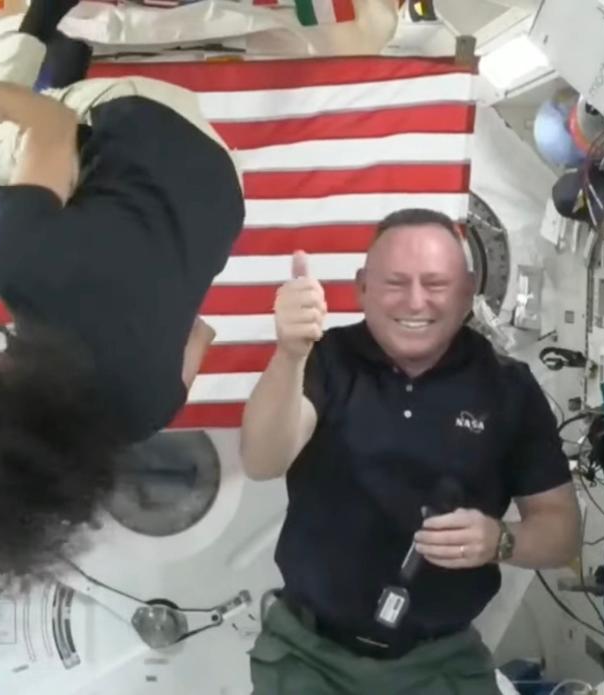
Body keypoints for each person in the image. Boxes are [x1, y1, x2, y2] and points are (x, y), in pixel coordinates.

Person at [0, 0, 244, 590]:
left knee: (73, 203)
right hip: (140, 112)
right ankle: (39, 24)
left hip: (224, 184)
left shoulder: (140, 418)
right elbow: (49, 126)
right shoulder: (19, 266)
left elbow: (201, 332)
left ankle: (63, 114)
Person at [239, 208, 582, 695]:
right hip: (307, 659)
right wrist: (290, 354)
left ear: (467, 293)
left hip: (439, 665)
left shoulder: (508, 390)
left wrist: (500, 541)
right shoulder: (328, 359)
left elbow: (561, 532)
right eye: (395, 283)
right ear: (362, 289)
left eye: (436, 284)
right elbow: (261, 460)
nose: (416, 302)